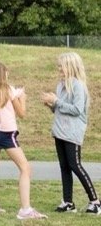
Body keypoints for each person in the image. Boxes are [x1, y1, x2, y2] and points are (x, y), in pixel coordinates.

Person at [0, 60, 45, 219]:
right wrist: (22, 97)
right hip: (6, 134)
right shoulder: (8, 89)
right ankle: (25, 210)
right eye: (6, 71)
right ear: (1, 74)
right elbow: (22, 113)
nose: (8, 73)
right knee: (25, 168)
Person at [43, 51, 99, 214]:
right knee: (64, 167)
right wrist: (51, 105)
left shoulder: (78, 85)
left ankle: (95, 202)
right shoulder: (61, 85)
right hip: (59, 131)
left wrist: (57, 101)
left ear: (71, 66)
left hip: (72, 133)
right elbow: (60, 109)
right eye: (58, 66)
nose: (59, 69)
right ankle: (68, 202)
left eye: (61, 66)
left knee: (75, 165)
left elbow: (77, 110)